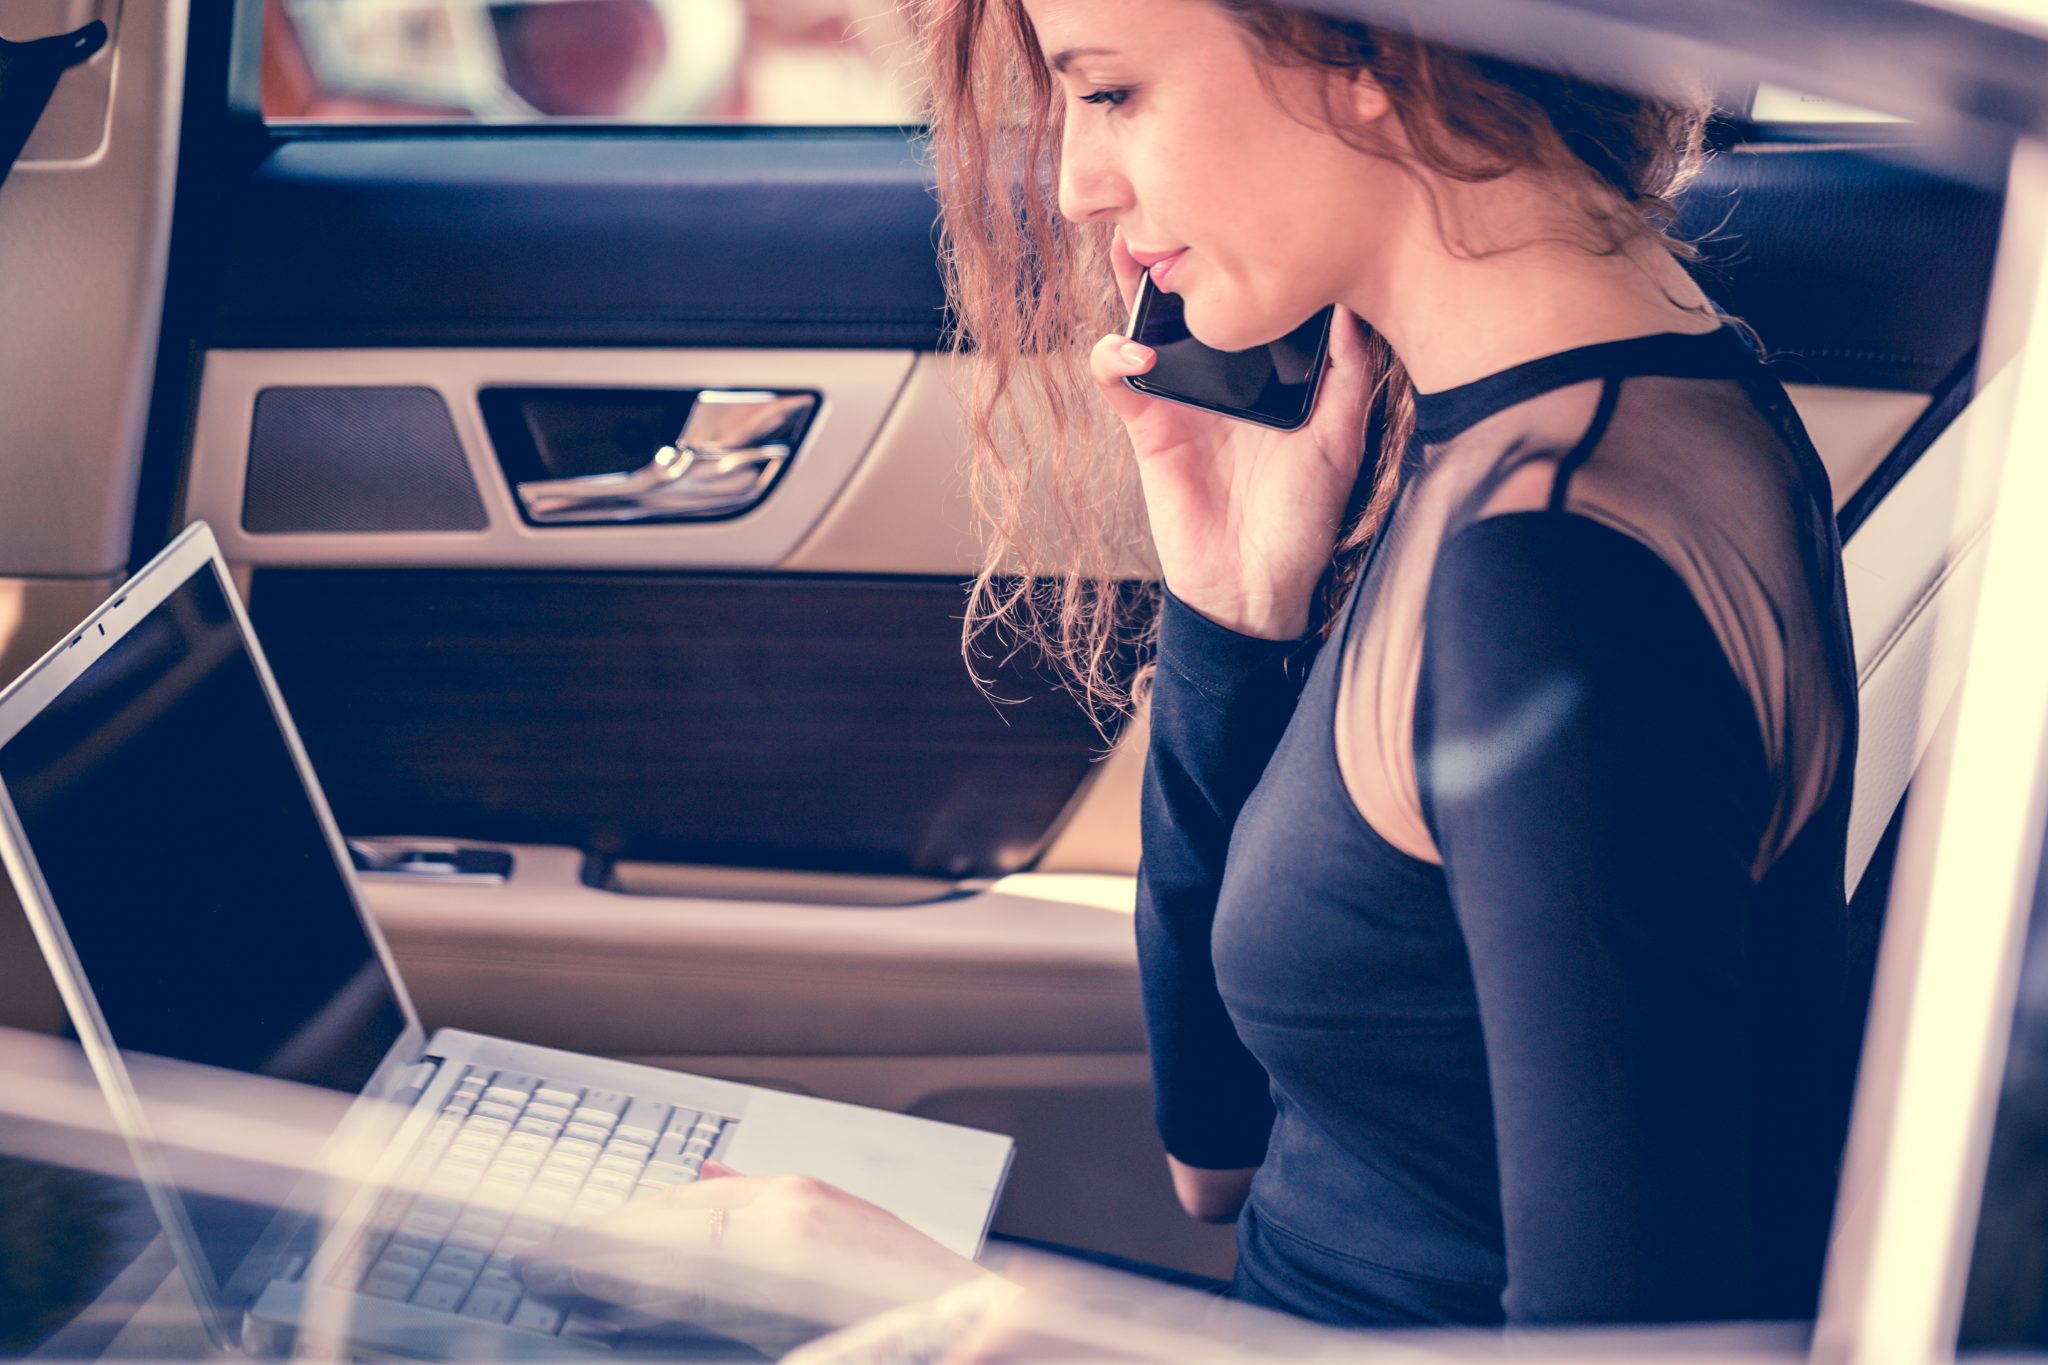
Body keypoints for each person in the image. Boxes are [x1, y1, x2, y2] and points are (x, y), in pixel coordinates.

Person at [516, 0, 1861, 1336]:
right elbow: (1220, 1160)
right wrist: (1230, 616)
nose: (1076, 184)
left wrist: (950, 1317)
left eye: (1109, 95)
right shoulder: (1562, 422)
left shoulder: (1552, 579)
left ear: (1368, 53)